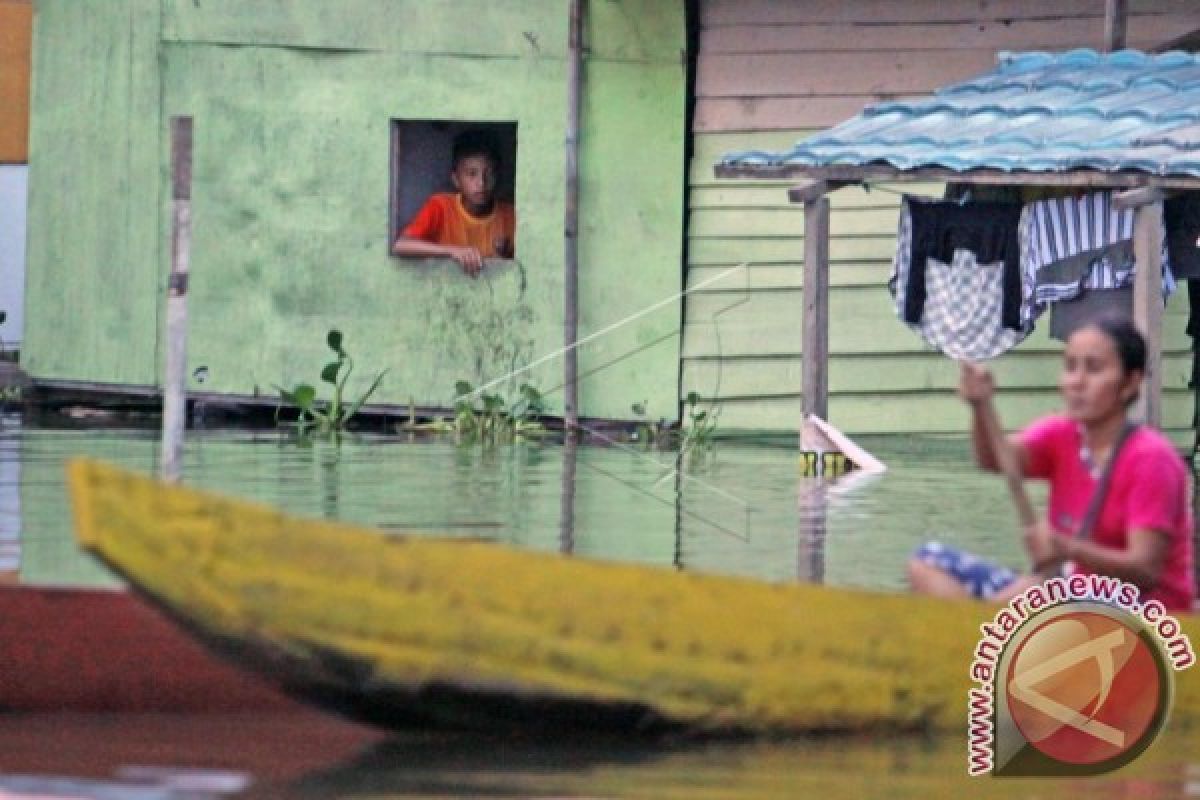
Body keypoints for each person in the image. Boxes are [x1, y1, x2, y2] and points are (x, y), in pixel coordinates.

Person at [908, 314, 1196, 611]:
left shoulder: (1151, 460)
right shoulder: (1060, 434)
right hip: (1069, 590)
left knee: (1043, 592)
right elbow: (996, 459)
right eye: (1070, 367)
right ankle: (978, 634)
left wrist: (1063, 548)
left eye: (1094, 369)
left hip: (1149, 611)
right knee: (927, 562)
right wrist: (981, 408)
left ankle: (980, 633)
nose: (1077, 382)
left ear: (1130, 382)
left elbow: (1145, 569)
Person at [392, 130, 516, 277]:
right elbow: (400, 245)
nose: (481, 183)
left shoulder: (510, 215)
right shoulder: (441, 206)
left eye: (489, 174)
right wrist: (453, 251)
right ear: (456, 179)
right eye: (471, 174)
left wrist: (507, 255)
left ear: (499, 176)